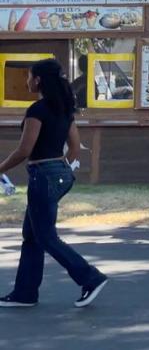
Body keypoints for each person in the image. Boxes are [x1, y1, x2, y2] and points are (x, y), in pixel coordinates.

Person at [0, 58, 109, 308]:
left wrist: (1, 168)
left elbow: (24, 150)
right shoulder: (64, 108)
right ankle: (25, 293)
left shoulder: (37, 110)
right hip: (59, 175)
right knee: (32, 235)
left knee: (46, 236)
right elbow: (74, 148)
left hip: (42, 176)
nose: (27, 81)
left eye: (29, 76)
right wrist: (60, 168)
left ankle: (89, 277)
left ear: (38, 80)